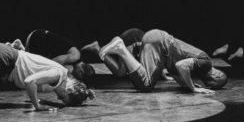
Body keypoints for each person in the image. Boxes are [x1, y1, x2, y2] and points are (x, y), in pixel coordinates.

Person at [98, 29, 228, 93]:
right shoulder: (206, 64)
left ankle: (121, 50)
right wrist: (193, 88)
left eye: (211, 86)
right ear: (217, 75)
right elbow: (181, 65)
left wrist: (186, 84)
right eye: (213, 84)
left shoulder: (200, 68)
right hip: (159, 42)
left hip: (157, 41)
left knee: (143, 85)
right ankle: (121, 48)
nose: (210, 84)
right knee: (146, 85)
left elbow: (177, 70)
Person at [24, 29, 94, 82]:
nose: (75, 76)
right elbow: (55, 61)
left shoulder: (75, 57)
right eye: (78, 77)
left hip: (40, 38)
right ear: (81, 72)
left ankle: (20, 49)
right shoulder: (74, 57)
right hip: (37, 38)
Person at [81, 28, 145, 77]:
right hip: (133, 38)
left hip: (134, 37)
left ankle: (97, 49)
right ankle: (97, 49)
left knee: (123, 71)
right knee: (121, 72)